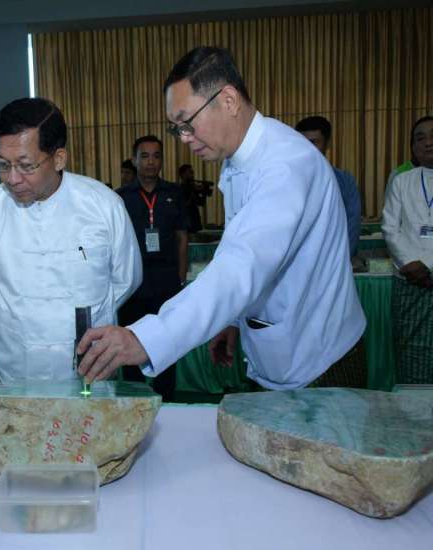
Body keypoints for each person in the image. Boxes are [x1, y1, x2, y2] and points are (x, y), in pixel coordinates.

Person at [77, 46, 365, 390]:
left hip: (319, 361)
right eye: (176, 129)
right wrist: (233, 320)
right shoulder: (237, 159)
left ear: (228, 100)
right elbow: (243, 249)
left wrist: (146, 338)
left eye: (187, 122)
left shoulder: (285, 165)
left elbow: (241, 266)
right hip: (279, 350)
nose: (184, 138)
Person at [0, 97, 141, 404]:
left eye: (26, 166)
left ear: (58, 158)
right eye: (3, 164)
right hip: (16, 376)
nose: (12, 178)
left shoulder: (103, 206)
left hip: (89, 377)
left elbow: (126, 279)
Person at [117, 135, 188, 401]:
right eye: (144, 156)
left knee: (167, 346)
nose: (151, 162)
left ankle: (166, 401)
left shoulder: (175, 194)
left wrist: (181, 279)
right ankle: (133, 404)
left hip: (167, 284)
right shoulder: (121, 197)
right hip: (133, 286)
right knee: (129, 346)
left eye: (156, 156)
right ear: (134, 160)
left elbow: (182, 238)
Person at [382, 116, 433, 384]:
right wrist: (410, 263)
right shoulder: (402, 181)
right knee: (411, 350)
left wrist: (429, 266)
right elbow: (390, 227)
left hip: (425, 273)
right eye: (420, 138)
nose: (428, 143)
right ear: (413, 147)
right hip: (410, 278)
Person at [295, 116, 362, 258]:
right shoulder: (286, 180)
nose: (307, 148)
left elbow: (353, 225)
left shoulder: (344, 181)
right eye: (301, 142)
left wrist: (340, 259)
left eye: (313, 142)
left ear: (327, 144)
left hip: (336, 260)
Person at [177, 164, 213, 233]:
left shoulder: (192, 187)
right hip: (185, 222)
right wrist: (192, 193)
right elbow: (184, 205)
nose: (192, 174)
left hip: (194, 220)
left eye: (192, 172)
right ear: (183, 174)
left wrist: (203, 193)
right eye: (190, 172)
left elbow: (201, 203)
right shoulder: (179, 189)